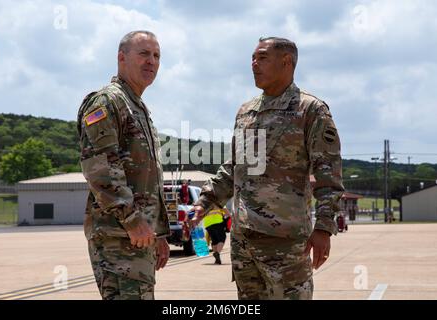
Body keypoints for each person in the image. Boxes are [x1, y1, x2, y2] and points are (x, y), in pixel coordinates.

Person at [192, 37, 344, 300]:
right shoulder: (247, 112)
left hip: (285, 241)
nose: (253, 64)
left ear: (286, 62)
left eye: (262, 57)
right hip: (244, 241)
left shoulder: (310, 110)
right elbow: (234, 168)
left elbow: (328, 174)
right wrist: (204, 201)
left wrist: (323, 228)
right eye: (253, 58)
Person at [77, 30, 170, 300]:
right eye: (143, 54)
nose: (151, 61)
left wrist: (159, 233)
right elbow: (100, 168)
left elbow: (148, 179)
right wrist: (132, 220)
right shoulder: (108, 102)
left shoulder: (137, 107)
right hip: (118, 235)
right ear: (121, 57)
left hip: (138, 234)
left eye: (156, 56)